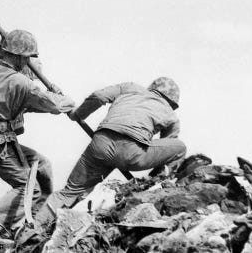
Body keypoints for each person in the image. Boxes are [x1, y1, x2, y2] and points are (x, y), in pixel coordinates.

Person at [0, 30, 75, 233]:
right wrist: (62, 96)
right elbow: (54, 106)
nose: (28, 62)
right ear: (18, 56)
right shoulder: (21, 82)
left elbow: (21, 101)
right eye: (27, 57)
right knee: (30, 188)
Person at [33, 77, 186, 228]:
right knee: (180, 148)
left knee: (69, 192)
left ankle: (34, 228)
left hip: (100, 145)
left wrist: (78, 114)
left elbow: (98, 96)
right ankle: (154, 186)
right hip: (131, 154)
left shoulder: (130, 87)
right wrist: (152, 179)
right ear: (172, 101)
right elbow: (166, 151)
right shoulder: (171, 115)